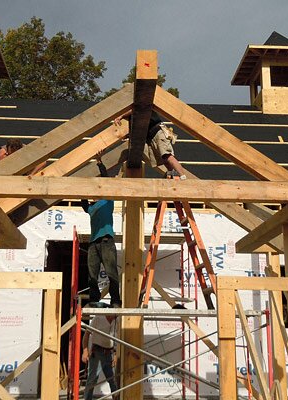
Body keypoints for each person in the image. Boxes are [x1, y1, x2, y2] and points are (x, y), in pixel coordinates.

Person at [81, 150, 122, 308]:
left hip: (106, 241)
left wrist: (99, 163)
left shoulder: (107, 200)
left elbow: (106, 181)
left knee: (111, 272)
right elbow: (83, 201)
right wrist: (82, 185)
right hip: (93, 244)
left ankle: (116, 301)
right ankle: (93, 299)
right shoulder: (91, 208)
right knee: (92, 274)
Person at [114, 110, 187, 179]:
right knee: (164, 159)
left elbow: (136, 109)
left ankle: (182, 176)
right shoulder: (133, 118)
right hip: (152, 136)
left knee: (167, 155)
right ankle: (171, 174)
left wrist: (121, 116)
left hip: (158, 132)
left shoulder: (141, 104)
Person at [82, 314, 118, 400]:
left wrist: (116, 354)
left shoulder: (117, 320)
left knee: (112, 379)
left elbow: (117, 338)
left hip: (109, 353)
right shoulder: (98, 318)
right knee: (92, 379)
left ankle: (116, 398)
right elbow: (87, 334)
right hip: (97, 352)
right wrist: (85, 350)